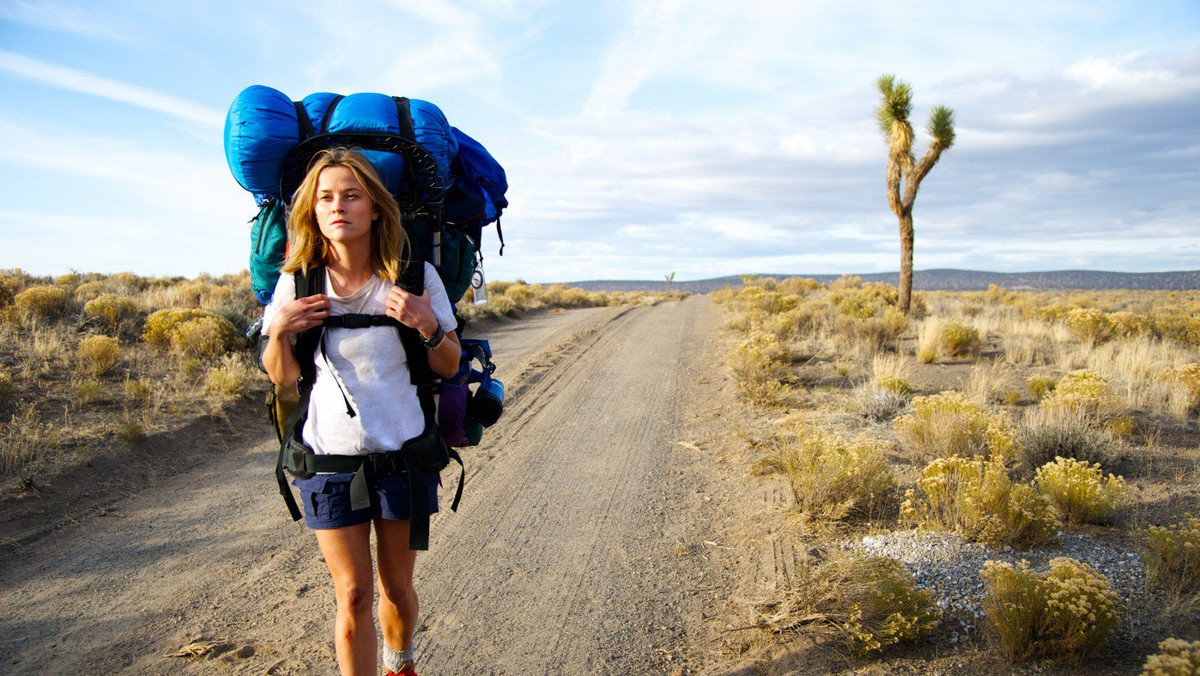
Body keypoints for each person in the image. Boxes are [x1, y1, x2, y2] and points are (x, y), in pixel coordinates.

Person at [261, 147, 460, 676]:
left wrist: (427, 324)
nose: (337, 206)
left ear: (375, 208)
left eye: (351, 195)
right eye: (325, 197)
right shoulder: (297, 282)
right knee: (351, 597)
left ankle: (400, 664)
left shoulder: (415, 279)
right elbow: (281, 376)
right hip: (329, 463)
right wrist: (280, 330)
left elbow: (448, 363)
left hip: (403, 457)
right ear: (312, 211)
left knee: (396, 588)